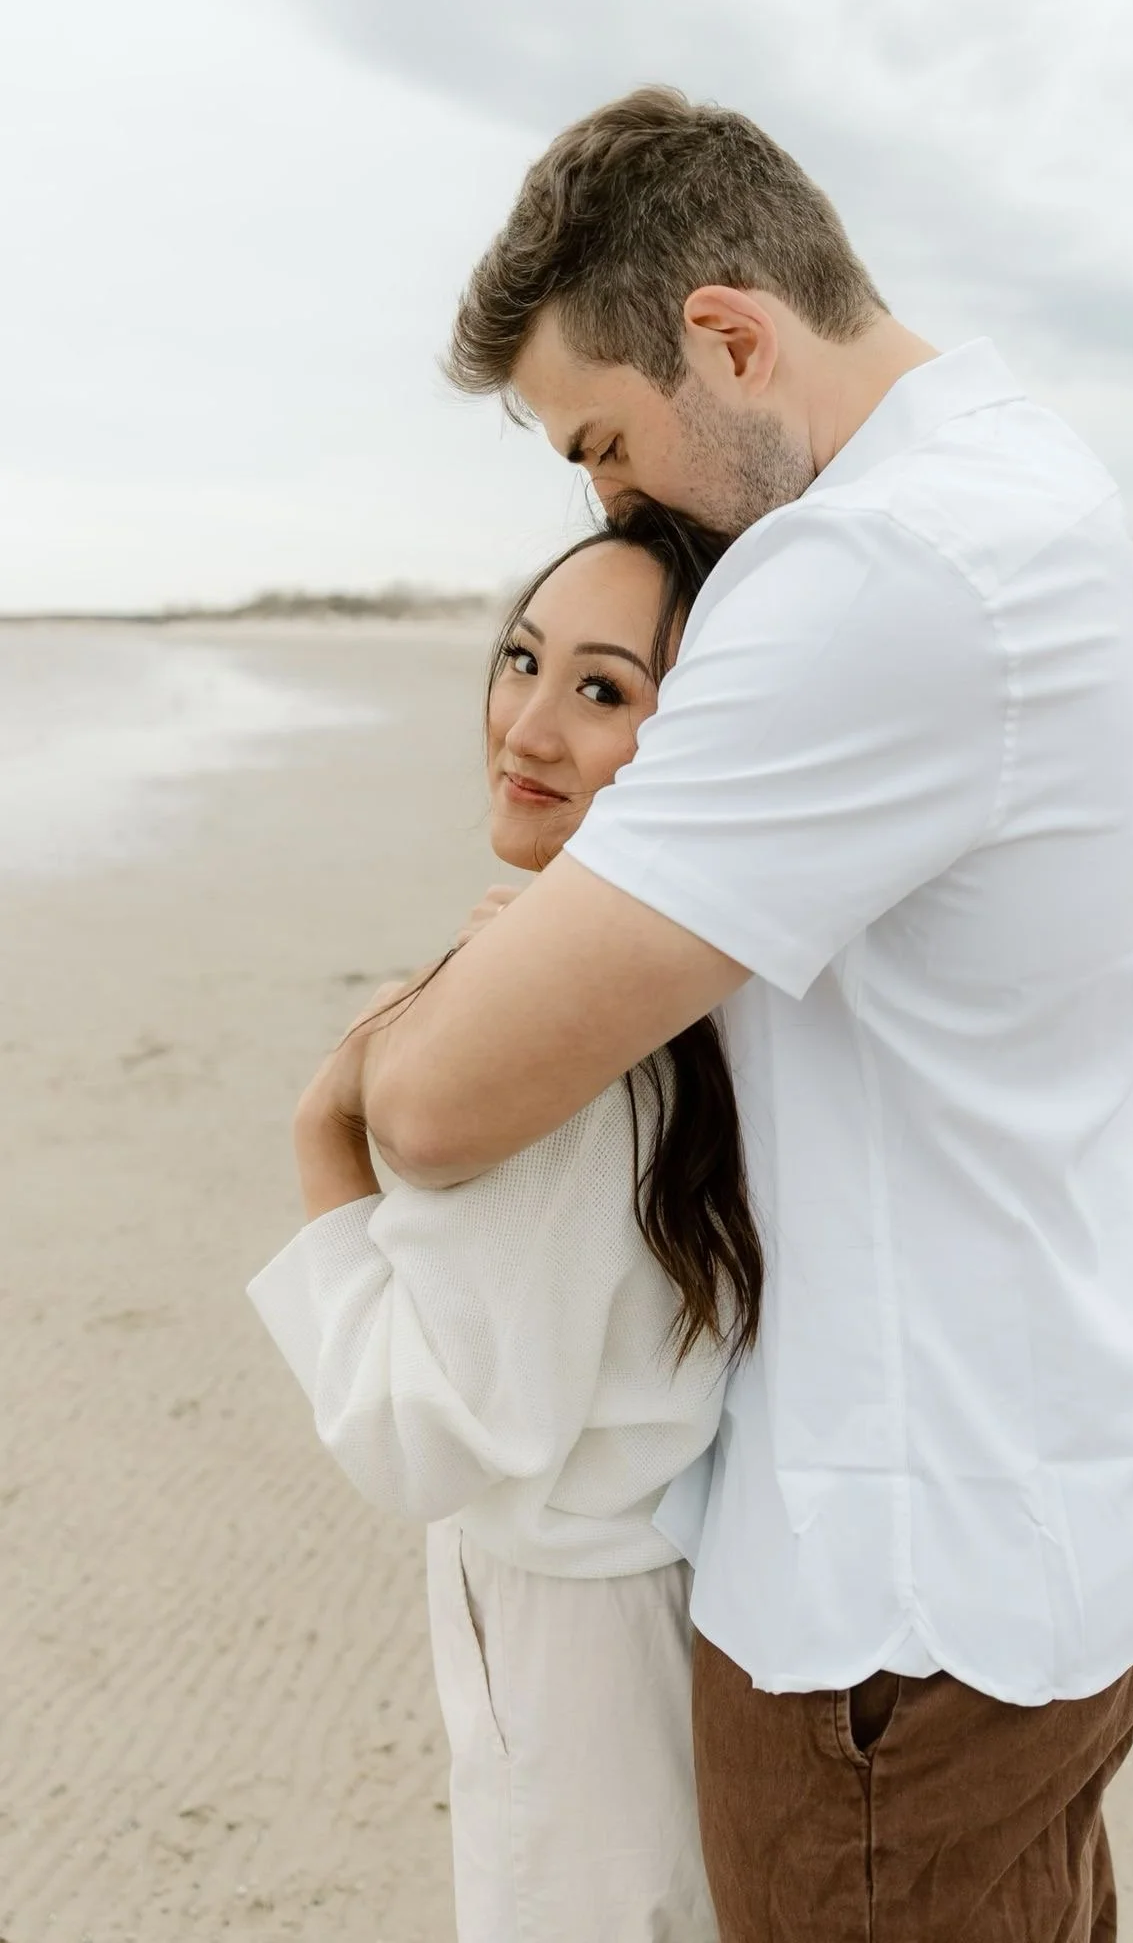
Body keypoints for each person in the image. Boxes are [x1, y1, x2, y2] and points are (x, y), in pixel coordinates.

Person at [343, 88, 1133, 1941]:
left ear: (729, 334)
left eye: (602, 438)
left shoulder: (875, 571)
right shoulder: (1019, 475)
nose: (604, 503)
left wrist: (367, 1067)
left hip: (897, 1604)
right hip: (1049, 1510)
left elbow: (436, 1105)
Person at [247, 501, 758, 1942]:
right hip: (660, 1583)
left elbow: (417, 1433)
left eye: (603, 691)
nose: (526, 727)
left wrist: (323, 1141)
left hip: (578, 1625)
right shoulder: (703, 971)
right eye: (523, 661)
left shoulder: (570, 1046)